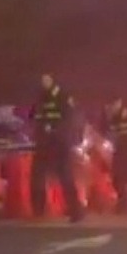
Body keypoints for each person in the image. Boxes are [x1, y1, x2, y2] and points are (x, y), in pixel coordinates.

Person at [29, 73, 84, 223]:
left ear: (53, 79)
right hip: (44, 143)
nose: (43, 82)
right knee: (37, 175)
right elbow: (34, 117)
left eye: (46, 79)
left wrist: (55, 129)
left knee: (65, 176)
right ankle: (38, 210)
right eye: (42, 79)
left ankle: (76, 211)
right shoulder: (41, 97)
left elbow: (70, 118)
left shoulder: (63, 97)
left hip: (60, 143)